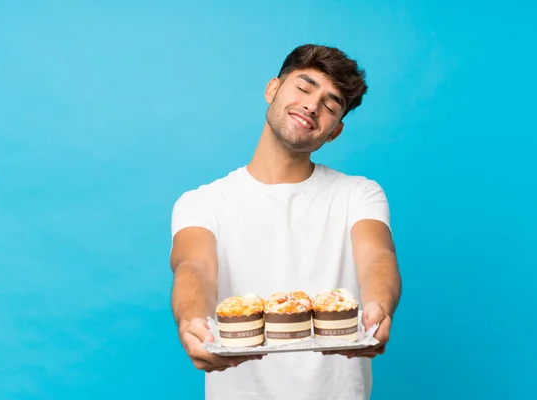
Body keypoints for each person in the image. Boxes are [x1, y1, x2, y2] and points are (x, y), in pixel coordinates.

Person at [169, 44, 402, 400]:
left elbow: (377, 256)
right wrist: (191, 321)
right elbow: (194, 265)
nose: (312, 105)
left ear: (334, 131)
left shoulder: (359, 194)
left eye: (330, 104)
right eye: (304, 88)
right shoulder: (202, 203)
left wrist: (380, 306)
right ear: (272, 89)